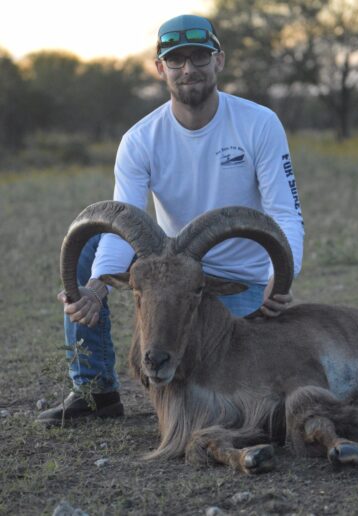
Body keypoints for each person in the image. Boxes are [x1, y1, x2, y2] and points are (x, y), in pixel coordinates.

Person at [36, 13, 305, 427]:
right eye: (176, 61)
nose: (188, 69)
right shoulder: (140, 139)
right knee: (91, 244)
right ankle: (93, 391)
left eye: (199, 57)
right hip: (174, 278)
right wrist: (95, 286)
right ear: (160, 68)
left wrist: (279, 278)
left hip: (245, 283)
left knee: (235, 395)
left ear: (219, 61)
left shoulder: (259, 123)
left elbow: (285, 213)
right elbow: (122, 219)